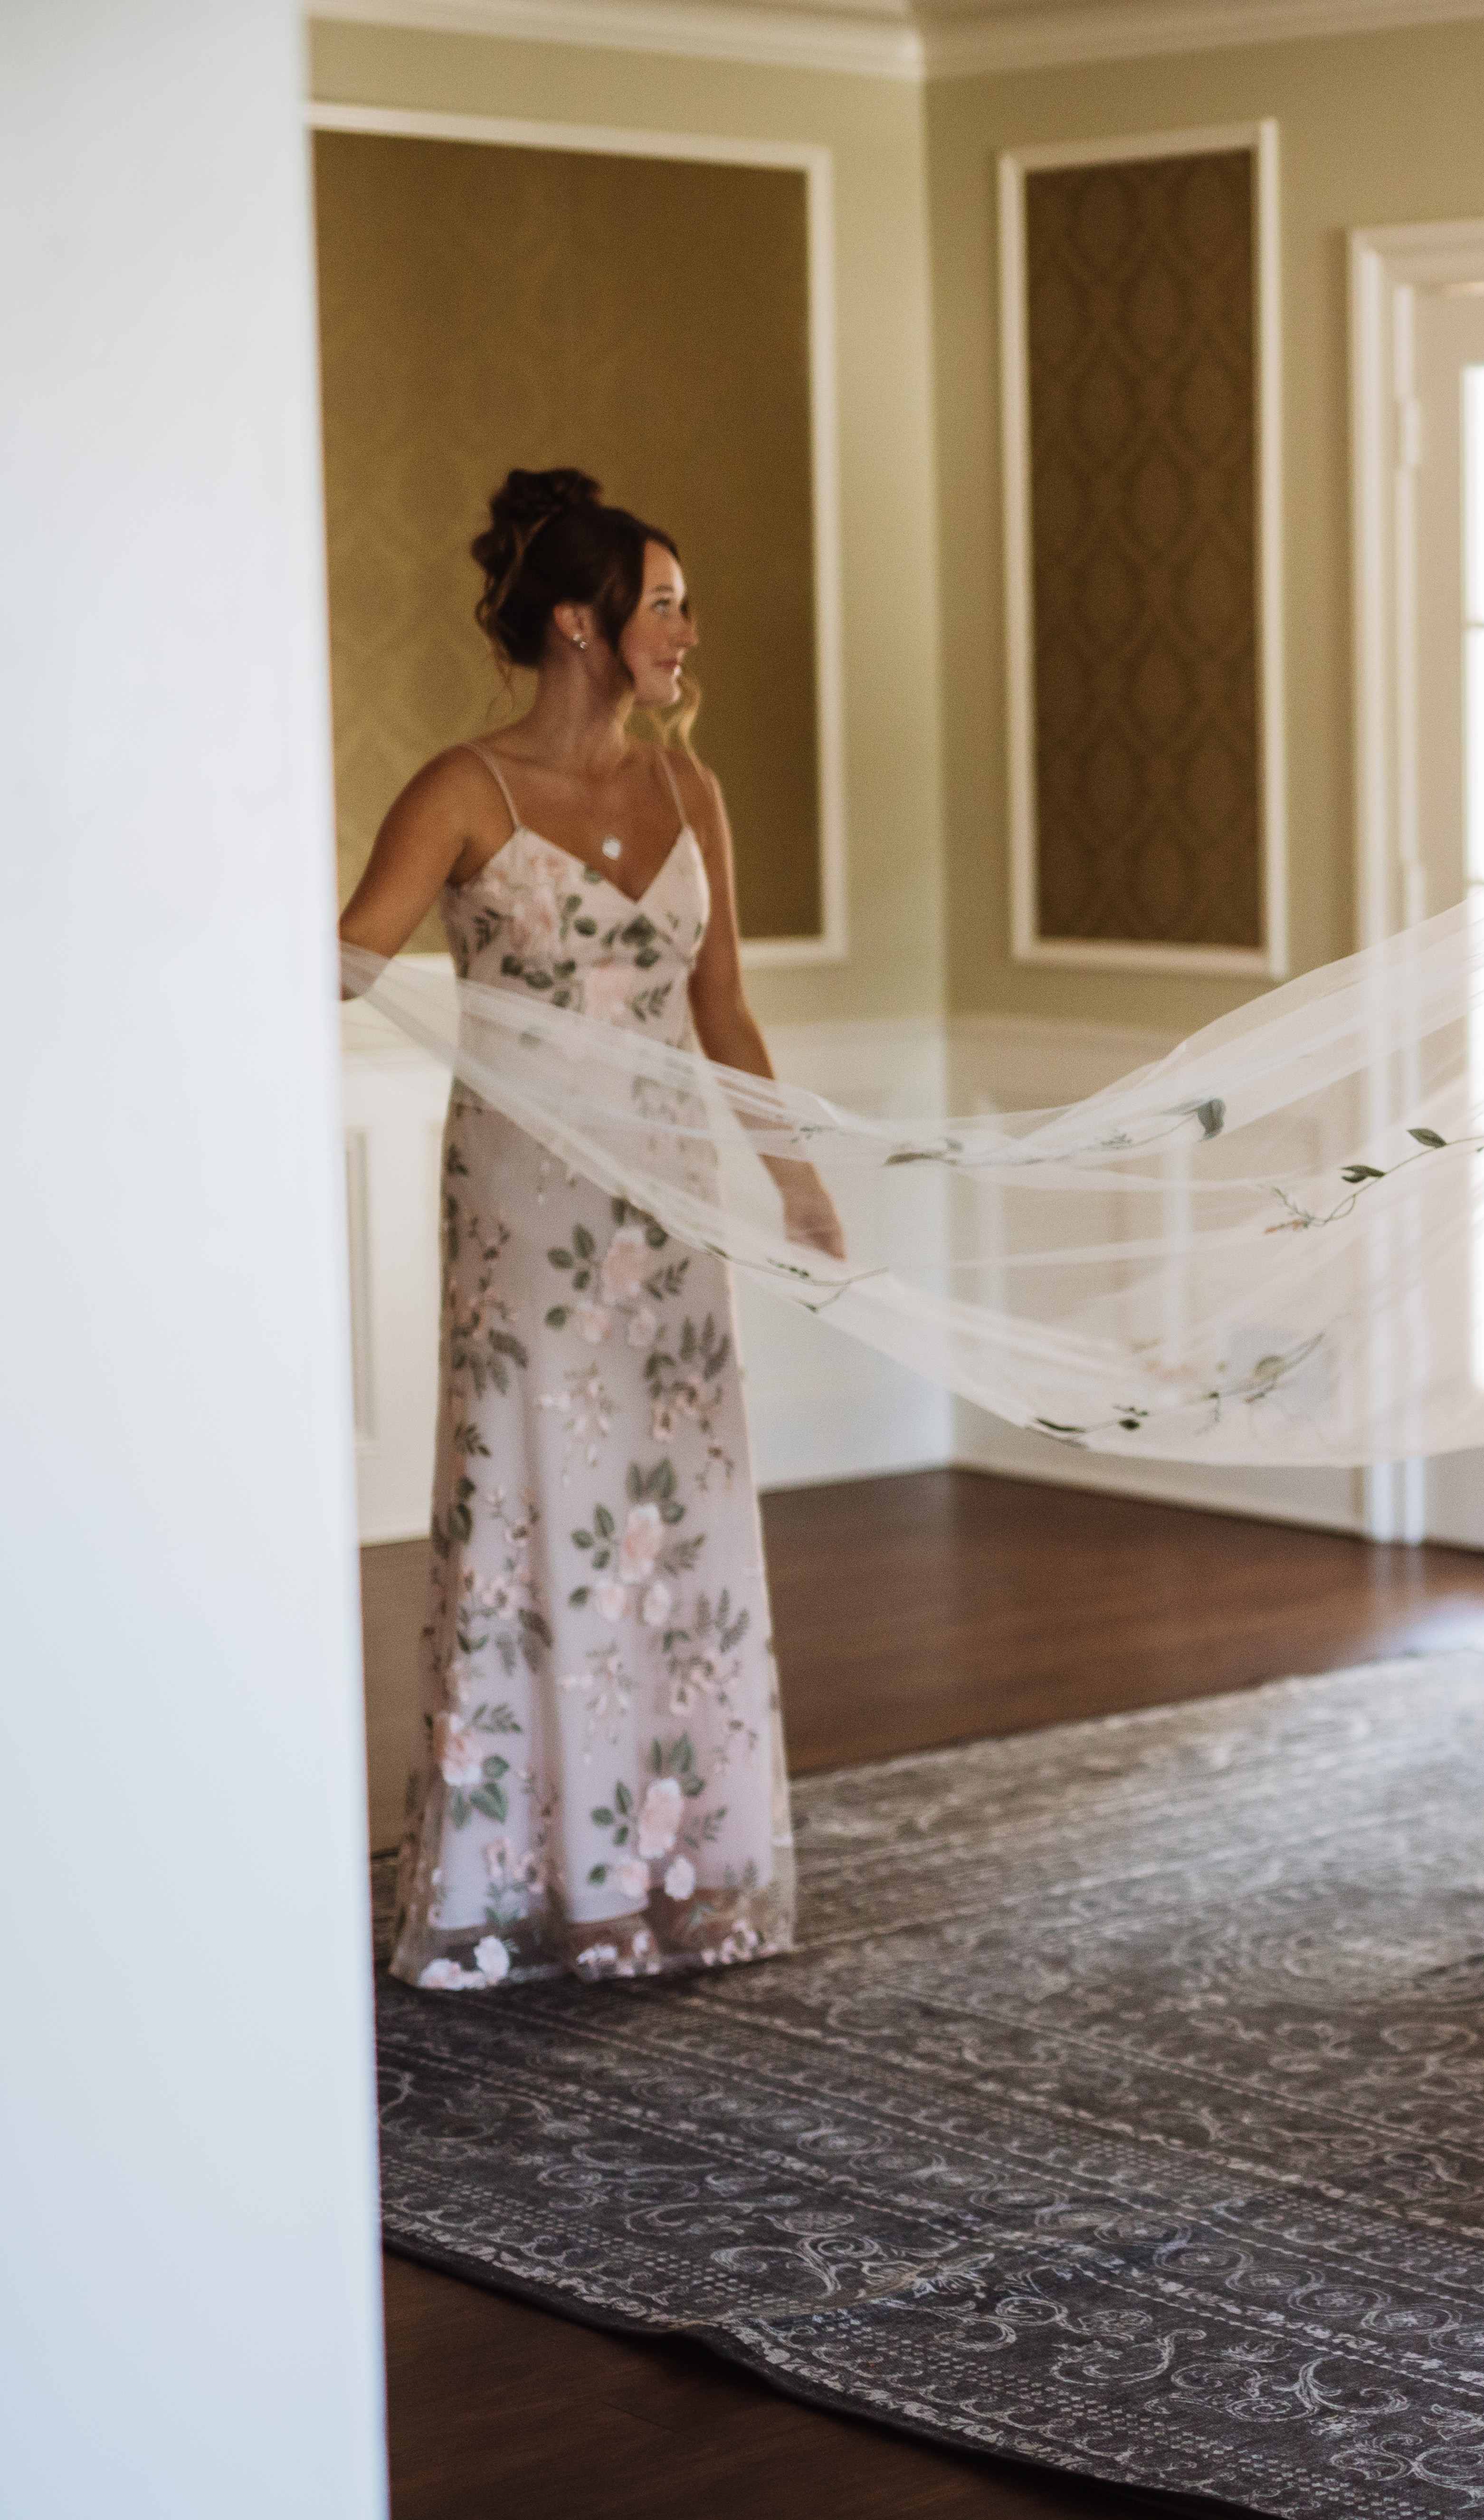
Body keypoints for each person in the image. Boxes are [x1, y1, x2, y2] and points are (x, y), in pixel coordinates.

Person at [338, 467, 839, 1987]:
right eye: (666, 602)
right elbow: (343, 965)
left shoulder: (694, 793)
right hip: (527, 1215)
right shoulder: (460, 793)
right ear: (582, 620)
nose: (690, 628)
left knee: (672, 1525)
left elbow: (726, 1010)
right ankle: (548, 1882)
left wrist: (791, 1175)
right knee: (542, 1514)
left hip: (671, 1214)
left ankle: (679, 1871)